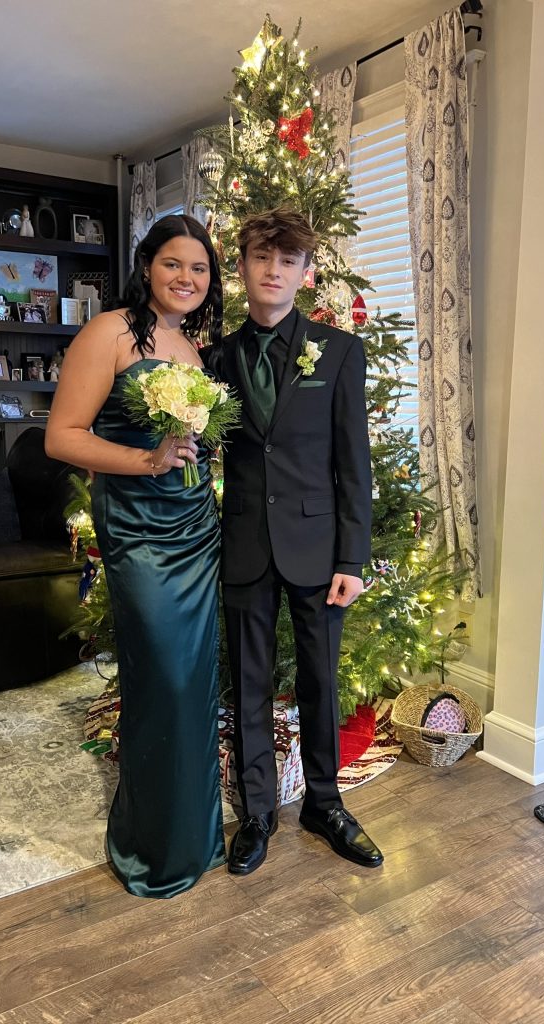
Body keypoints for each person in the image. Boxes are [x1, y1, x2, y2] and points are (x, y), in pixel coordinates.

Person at [45, 214, 225, 898]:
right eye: (173, 264)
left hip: (195, 529)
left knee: (195, 689)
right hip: (142, 536)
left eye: (200, 268)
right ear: (147, 265)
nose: (186, 278)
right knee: (163, 686)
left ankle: (195, 837)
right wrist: (145, 463)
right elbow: (61, 438)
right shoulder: (111, 331)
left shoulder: (192, 344)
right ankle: (150, 849)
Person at [205, 206, 384, 876]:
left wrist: (352, 556)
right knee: (247, 683)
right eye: (261, 258)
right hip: (245, 544)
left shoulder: (339, 352)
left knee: (320, 681)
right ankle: (257, 813)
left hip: (319, 550)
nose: (273, 270)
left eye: (287, 261)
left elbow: (352, 462)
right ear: (243, 267)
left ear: (305, 274)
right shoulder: (214, 357)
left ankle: (325, 803)